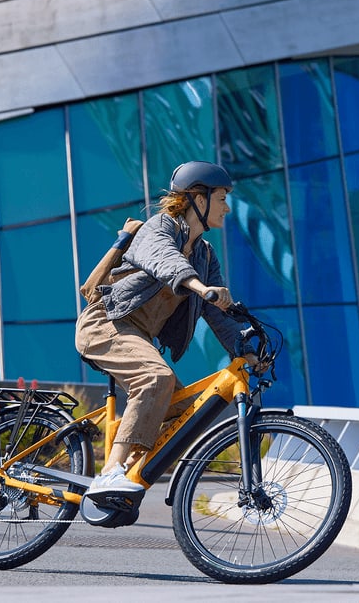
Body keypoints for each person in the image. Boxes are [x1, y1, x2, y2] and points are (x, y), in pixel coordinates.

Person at [75, 160, 260, 500]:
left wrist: (247, 349)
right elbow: (164, 260)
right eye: (221, 198)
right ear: (198, 199)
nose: (227, 207)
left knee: (183, 410)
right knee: (155, 379)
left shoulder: (205, 255)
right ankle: (109, 472)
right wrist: (200, 287)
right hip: (106, 324)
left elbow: (219, 315)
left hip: (137, 338)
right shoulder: (159, 227)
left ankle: (129, 470)